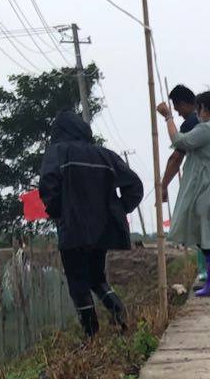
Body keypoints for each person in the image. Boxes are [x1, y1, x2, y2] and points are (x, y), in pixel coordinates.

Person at [38, 109, 144, 335]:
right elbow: (135, 187)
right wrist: (116, 210)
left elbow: (48, 186)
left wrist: (59, 213)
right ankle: (120, 315)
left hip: (73, 229)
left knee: (78, 280)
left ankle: (91, 333)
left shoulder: (57, 152)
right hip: (102, 229)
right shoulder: (105, 155)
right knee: (96, 277)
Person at [157, 90, 210, 296]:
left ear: (203, 108)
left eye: (198, 109)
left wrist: (168, 117)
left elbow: (179, 141)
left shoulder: (208, 128)